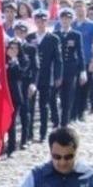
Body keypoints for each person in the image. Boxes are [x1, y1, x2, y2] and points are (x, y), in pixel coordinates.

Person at [32, 11, 63, 140]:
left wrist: (57, 76)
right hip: (32, 76)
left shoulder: (53, 38)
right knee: (31, 105)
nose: (41, 24)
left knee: (44, 105)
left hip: (46, 75)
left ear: (47, 22)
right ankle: (29, 133)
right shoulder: (30, 37)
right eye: (38, 21)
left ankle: (42, 133)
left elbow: (58, 60)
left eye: (43, 21)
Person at [55, 9, 85, 127]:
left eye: (68, 18)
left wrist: (83, 71)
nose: (65, 21)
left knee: (68, 97)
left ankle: (64, 122)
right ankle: (55, 120)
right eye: (63, 18)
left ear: (71, 20)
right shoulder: (56, 34)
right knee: (54, 96)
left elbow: (80, 53)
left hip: (70, 69)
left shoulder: (76, 35)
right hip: (58, 69)